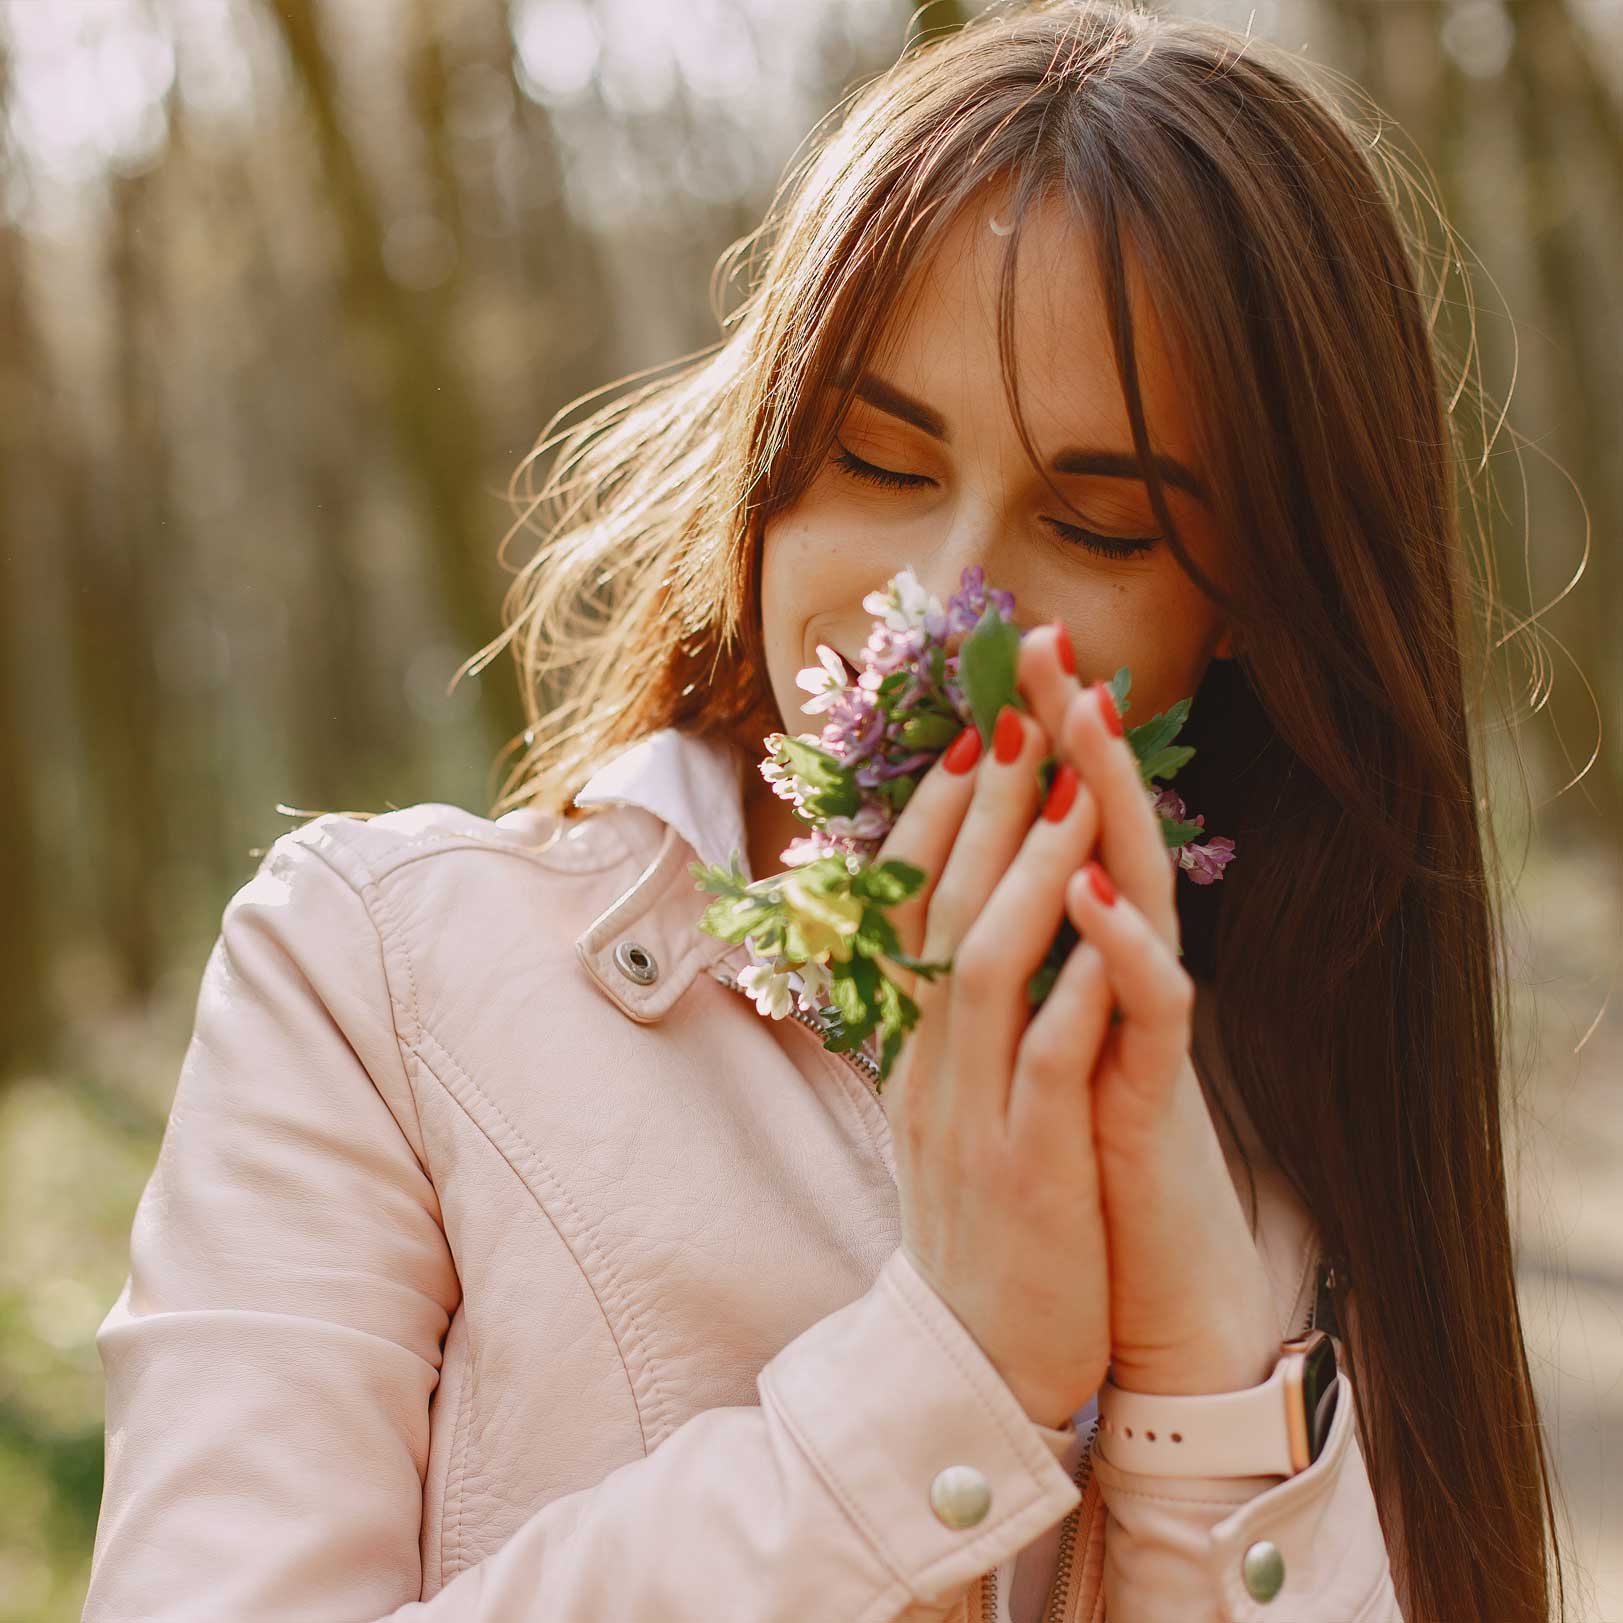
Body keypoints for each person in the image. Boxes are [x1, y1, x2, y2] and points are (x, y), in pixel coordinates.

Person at [82, 3, 1565, 1620]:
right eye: (877, 458)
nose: (940, 598)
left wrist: (1208, 1388)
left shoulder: (1310, 1125)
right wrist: (946, 1380)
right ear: (773, 457)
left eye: (1100, 523)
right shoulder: (378, 981)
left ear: (1253, 608)